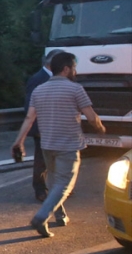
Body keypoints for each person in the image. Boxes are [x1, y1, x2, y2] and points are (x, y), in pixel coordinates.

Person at [11, 51, 105, 236]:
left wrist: (18, 142)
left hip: (47, 144)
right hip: (68, 145)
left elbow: (29, 118)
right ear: (66, 69)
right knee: (64, 185)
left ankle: (60, 216)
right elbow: (91, 117)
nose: (75, 72)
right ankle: (41, 216)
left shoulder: (39, 90)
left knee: (55, 181)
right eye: (74, 68)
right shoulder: (75, 89)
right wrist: (100, 128)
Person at [25, 49, 64, 202]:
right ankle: (40, 189)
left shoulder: (59, 78)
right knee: (41, 161)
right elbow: (30, 106)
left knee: (57, 159)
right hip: (42, 128)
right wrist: (36, 128)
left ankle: (58, 188)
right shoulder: (38, 79)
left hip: (56, 126)